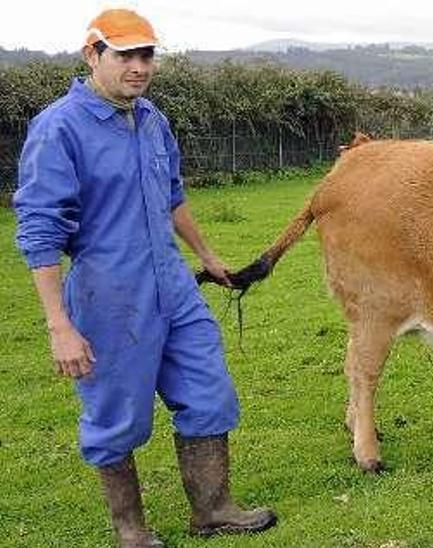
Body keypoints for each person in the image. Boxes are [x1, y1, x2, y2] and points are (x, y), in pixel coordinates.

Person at [13, 9, 276, 547]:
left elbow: (172, 196)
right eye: (125, 55)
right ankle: (131, 532)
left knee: (208, 393)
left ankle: (214, 509)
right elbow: (39, 231)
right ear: (93, 54)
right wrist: (58, 326)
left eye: (147, 55)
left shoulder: (152, 118)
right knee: (117, 415)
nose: (139, 67)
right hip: (108, 292)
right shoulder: (59, 128)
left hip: (173, 284)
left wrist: (207, 254)